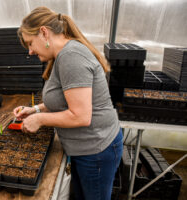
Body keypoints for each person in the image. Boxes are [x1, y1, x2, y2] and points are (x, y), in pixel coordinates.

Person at [13, 6, 123, 200]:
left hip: (96, 149)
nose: (29, 51)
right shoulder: (62, 55)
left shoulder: (71, 57)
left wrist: (40, 119)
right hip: (86, 148)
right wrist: (35, 109)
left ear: (44, 33)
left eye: (30, 43)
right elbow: (66, 100)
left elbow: (81, 116)